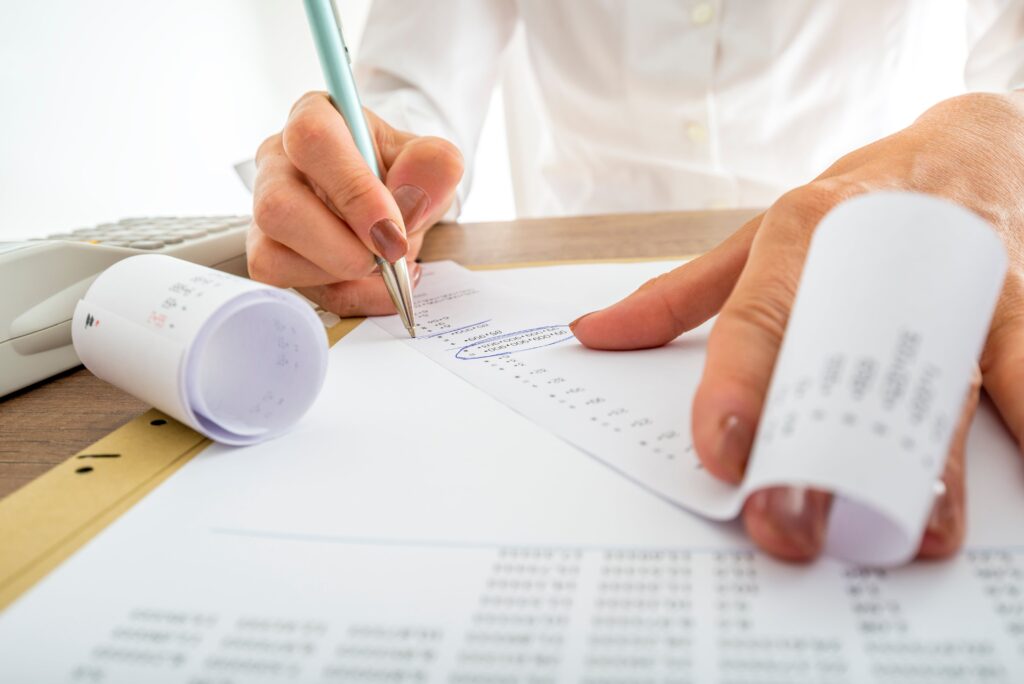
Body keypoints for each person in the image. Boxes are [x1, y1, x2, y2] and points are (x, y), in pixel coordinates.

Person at [247, 1, 1024, 563]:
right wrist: (369, 166)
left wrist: (998, 135)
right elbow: (416, 88)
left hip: (877, 256)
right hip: (562, 258)